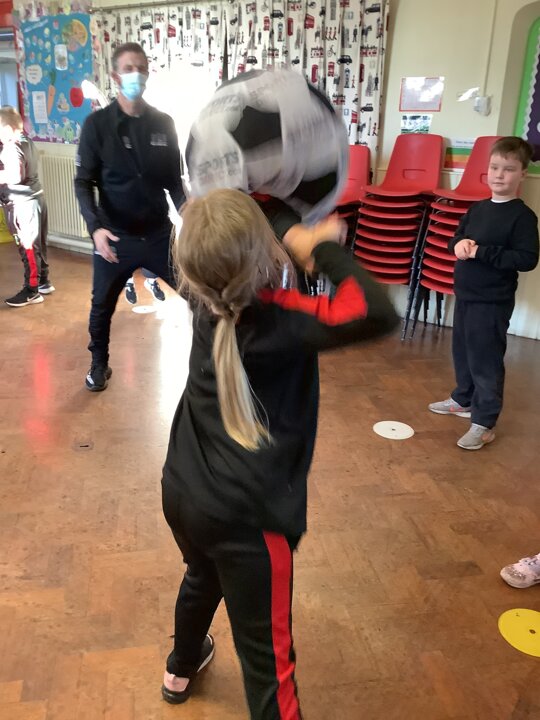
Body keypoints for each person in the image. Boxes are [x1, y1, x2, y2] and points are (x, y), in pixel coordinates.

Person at [161, 189, 399, 718]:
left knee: (201, 575)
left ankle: (180, 667)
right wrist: (319, 247)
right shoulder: (282, 318)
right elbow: (377, 311)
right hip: (249, 523)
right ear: (265, 252)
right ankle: (184, 663)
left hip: (183, 492)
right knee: (269, 666)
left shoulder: (202, 295)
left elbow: (223, 235)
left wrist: (283, 223)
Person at [74, 42, 184, 392]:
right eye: (128, 68)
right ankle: (98, 364)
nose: (136, 74)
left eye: (141, 68)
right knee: (101, 306)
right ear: (115, 75)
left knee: (199, 293)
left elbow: (174, 183)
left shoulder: (164, 123)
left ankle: (211, 359)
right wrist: (95, 229)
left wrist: (194, 219)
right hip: (114, 238)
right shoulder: (97, 125)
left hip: (158, 235)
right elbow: (83, 182)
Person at [429, 137, 539, 450]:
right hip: (466, 294)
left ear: (522, 174)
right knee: (463, 352)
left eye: (508, 169)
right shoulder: (477, 208)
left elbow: (527, 259)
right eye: (494, 167)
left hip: (492, 302)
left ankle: (484, 422)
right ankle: (463, 399)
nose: (499, 175)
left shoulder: (522, 216)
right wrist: (458, 245)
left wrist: (481, 252)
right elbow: (456, 238)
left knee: (485, 360)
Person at [0, 106, 52, 307]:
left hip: (23, 205)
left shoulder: (11, 148)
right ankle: (43, 281)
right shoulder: (27, 141)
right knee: (39, 244)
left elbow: (14, 176)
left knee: (28, 247)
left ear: (7, 129)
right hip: (36, 199)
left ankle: (31, 291)